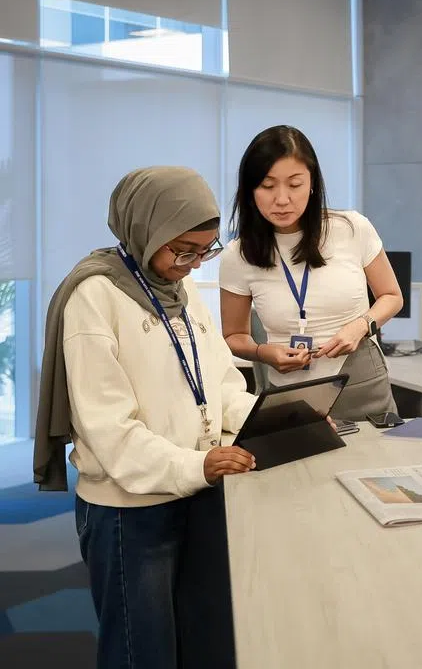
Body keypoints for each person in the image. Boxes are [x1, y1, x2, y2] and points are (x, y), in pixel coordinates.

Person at [33, 167, 258, 669]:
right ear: (145, 231)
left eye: (206, 251)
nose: (194, 263)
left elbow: (219, 383)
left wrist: (270, 423)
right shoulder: (95, 297)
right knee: (141, 652)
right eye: (184, 250)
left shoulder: (181, 288)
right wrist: (195, 466)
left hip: (195, 492)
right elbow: (109, 430)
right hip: (127, 511)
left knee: (198, 640)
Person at [220, 125, 403, 419]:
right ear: (250, 189)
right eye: (268, 186)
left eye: (294, 184)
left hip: (363, 386)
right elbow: (234, 335)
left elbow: (392, 296)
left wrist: (361, 326)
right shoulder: (238, 255)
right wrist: (264, 353)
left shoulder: (351, 228)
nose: (282, 199)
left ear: (312, 183)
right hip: (291, 397)